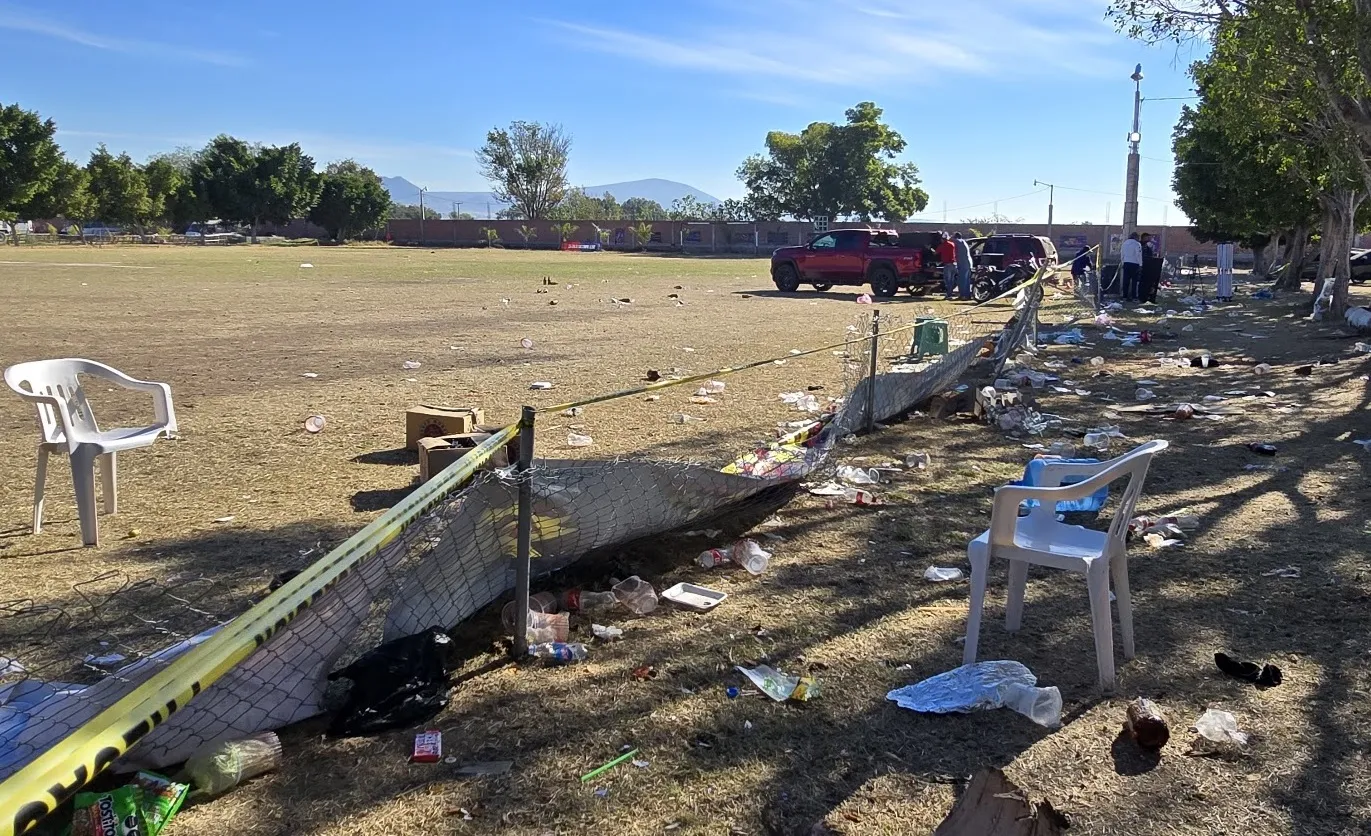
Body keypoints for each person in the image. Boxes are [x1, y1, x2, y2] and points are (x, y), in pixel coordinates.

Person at [1120, 232, 1143, 301]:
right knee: (1134, 281)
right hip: (1134, 264)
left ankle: (1124, 296)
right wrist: (1140, 264)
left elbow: (1122, 254)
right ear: (1136, 237)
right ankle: (1134, 297)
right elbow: (1138, 255)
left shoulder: (1124, 243)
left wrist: (1122, 262)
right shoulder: (1137, 244)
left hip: (1126, 263)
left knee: (1126, 281)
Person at [935, 232, 957, 299]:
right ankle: (950, 294)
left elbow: (935, 253)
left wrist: (929, 248)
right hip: (954, 264)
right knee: (952, 280)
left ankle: (949, 295)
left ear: (942, 239)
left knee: (947, 281)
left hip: (947, 265)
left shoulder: (942, 245)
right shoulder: (952, 244)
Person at [953, 232, 973, 300]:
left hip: (963, 263)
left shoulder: (959, 241)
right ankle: (967, 295)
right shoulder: (964, 242)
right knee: (966, 280)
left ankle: (963, 295)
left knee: (962, 280)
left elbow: (952, 241)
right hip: (968, 263)